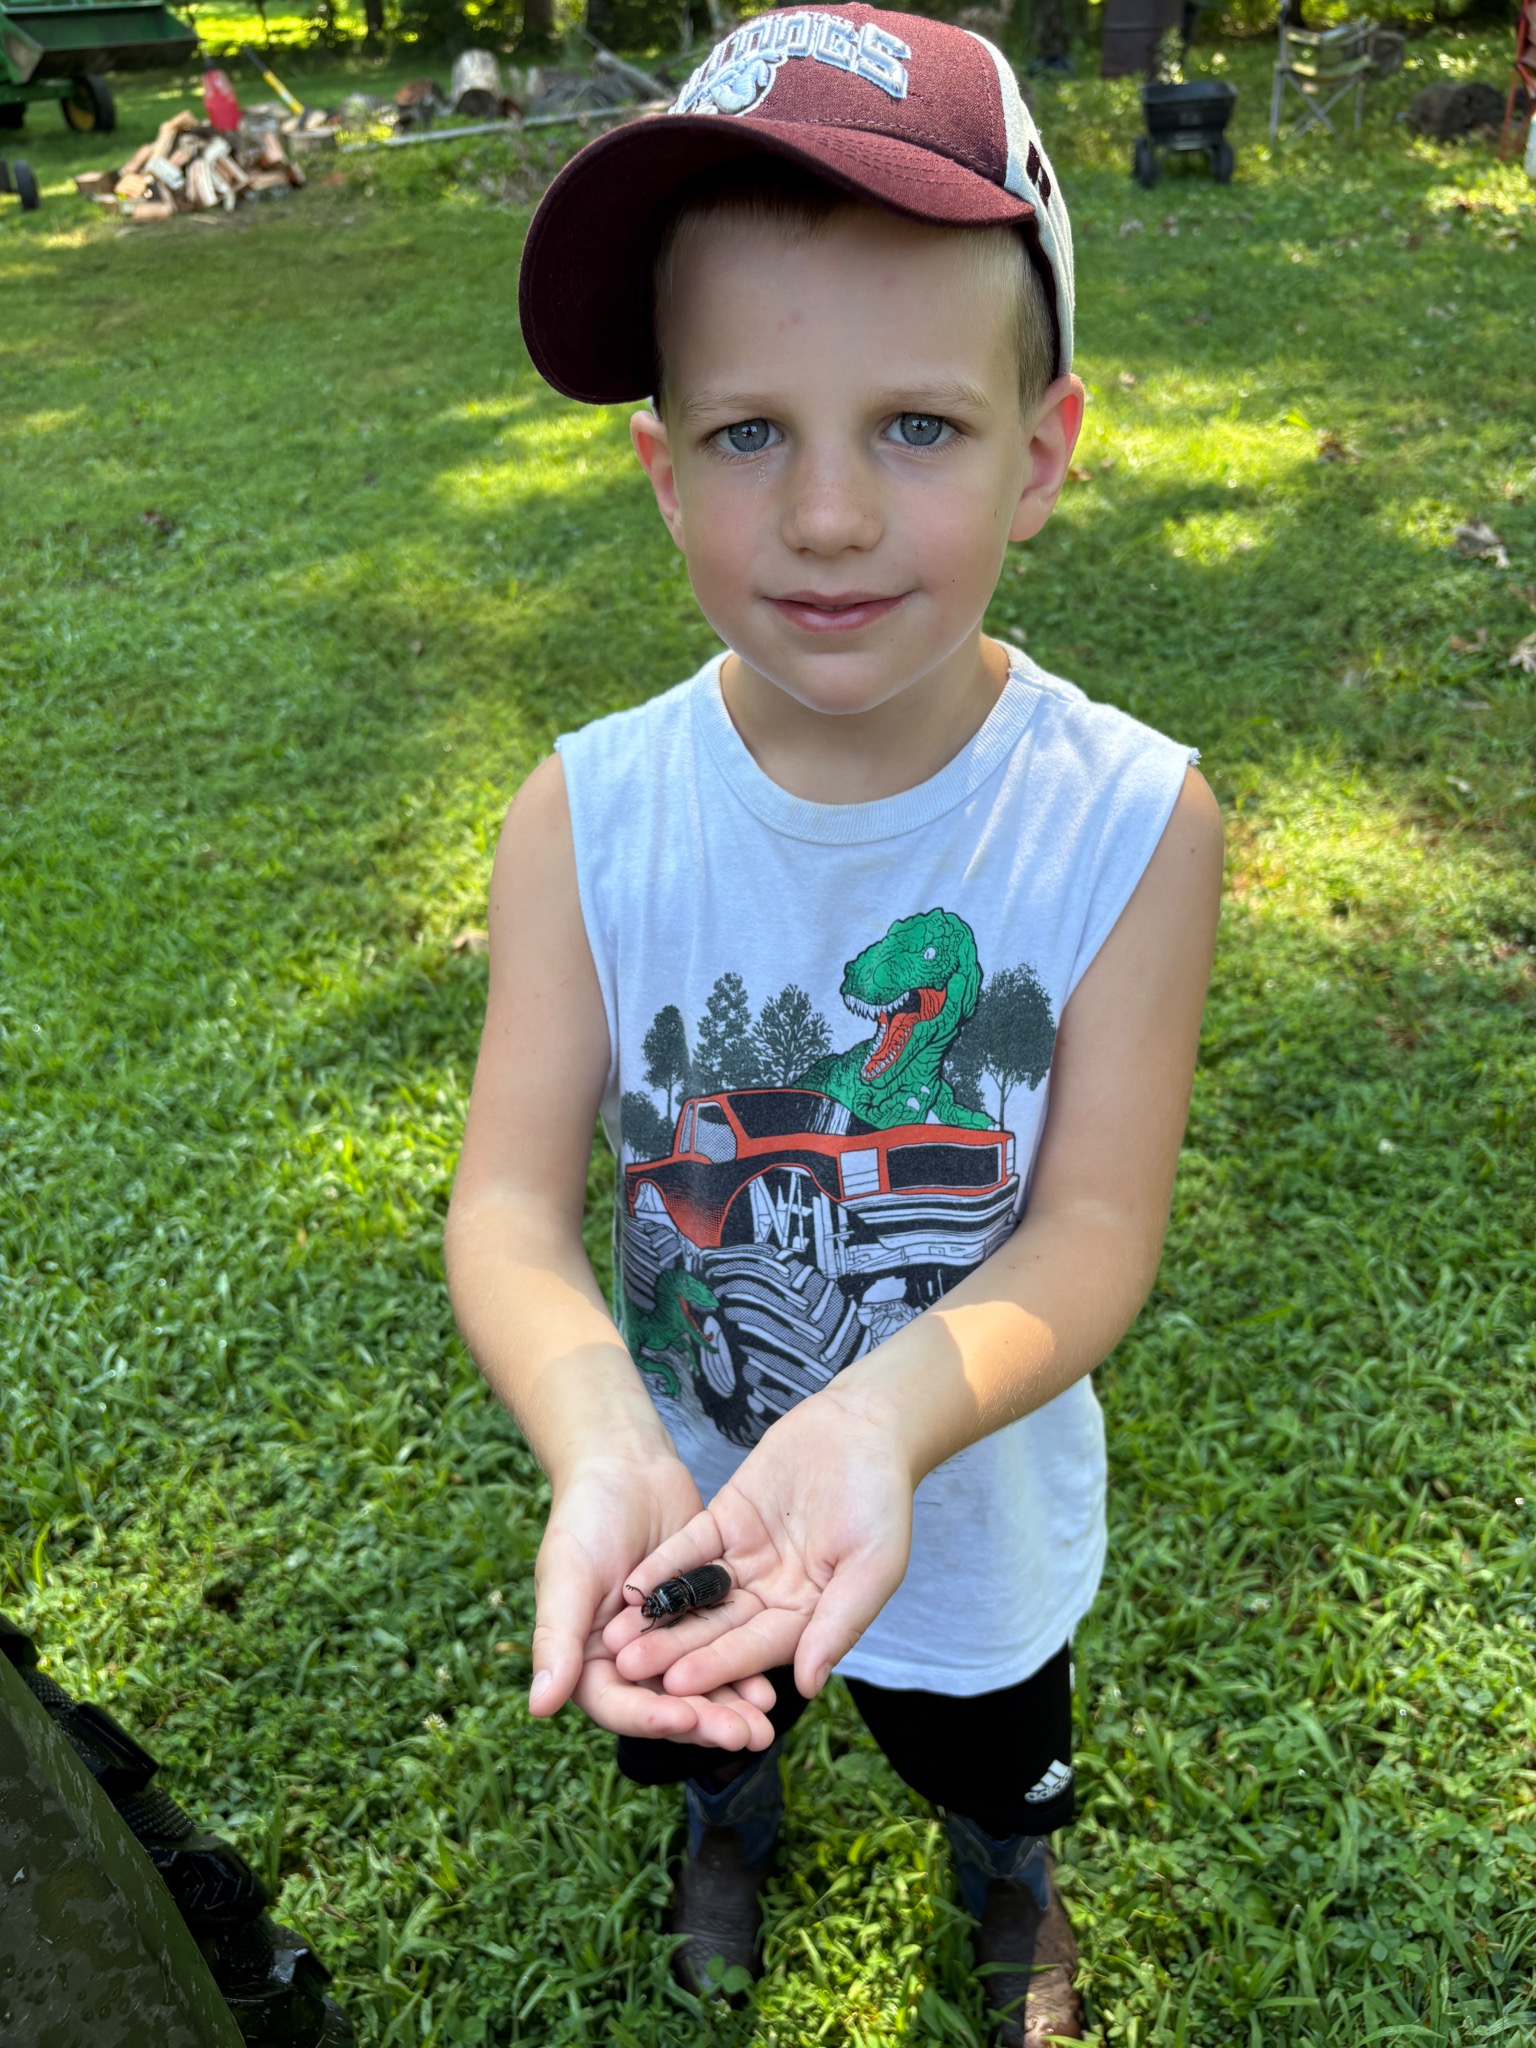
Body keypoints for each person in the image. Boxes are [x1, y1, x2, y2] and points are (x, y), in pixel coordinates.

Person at [445, 10, 1223, 2040]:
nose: (826, 515)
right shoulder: (582, 818)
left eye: (917, 428)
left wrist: (878, 1421)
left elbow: (1093, 1228)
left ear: (1043, 450)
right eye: (748, 433)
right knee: (709, 1716)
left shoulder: (1131, 819)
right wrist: (604, 1437)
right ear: (660, 470)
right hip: (691, 1492)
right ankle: (728, 1823)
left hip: (965, 1508)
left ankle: (1009, 1871)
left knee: (991, 1745)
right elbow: (509, 1209)